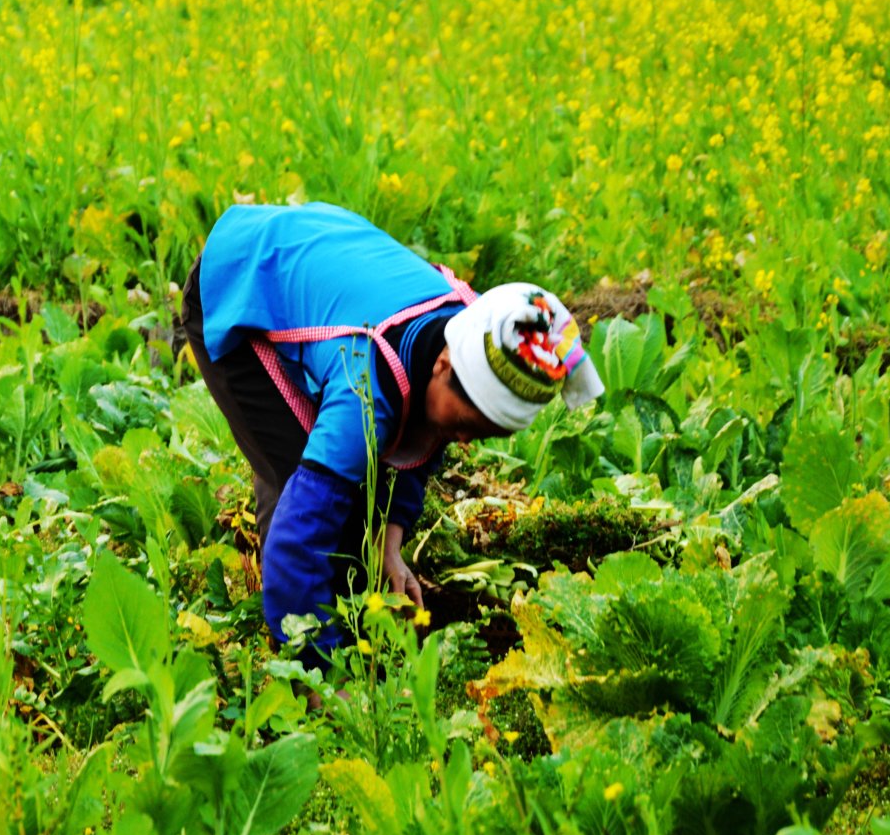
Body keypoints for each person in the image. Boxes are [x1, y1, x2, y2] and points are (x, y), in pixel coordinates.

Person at [179, 201, 603, 669]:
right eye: (462, 426)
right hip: (237, 277)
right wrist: (325, 680)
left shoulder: (478, 330)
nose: (461, 441)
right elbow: (300, 538)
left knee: (353, 503)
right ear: (442, 364)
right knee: (302, 494)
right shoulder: (365, 390)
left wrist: (389, 540)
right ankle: (298, 660)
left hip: (318, 257)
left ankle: (335, 610)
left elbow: (425, 440)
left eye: (479, 435)